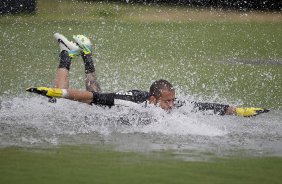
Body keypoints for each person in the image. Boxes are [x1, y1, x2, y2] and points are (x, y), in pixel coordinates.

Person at [26, 33, 269, 117]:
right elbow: (90, 97)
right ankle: (67, 56)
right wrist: (59, 92)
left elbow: (205, 107)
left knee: (96, 92)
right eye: (167, 101)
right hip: (101, 104)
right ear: (153, 99)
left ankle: (87, 54)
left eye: (173, 100)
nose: (172, 105)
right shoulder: (130, 100)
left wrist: (238, 111)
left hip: (109, 102)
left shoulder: (168, 103)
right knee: (61, 103)